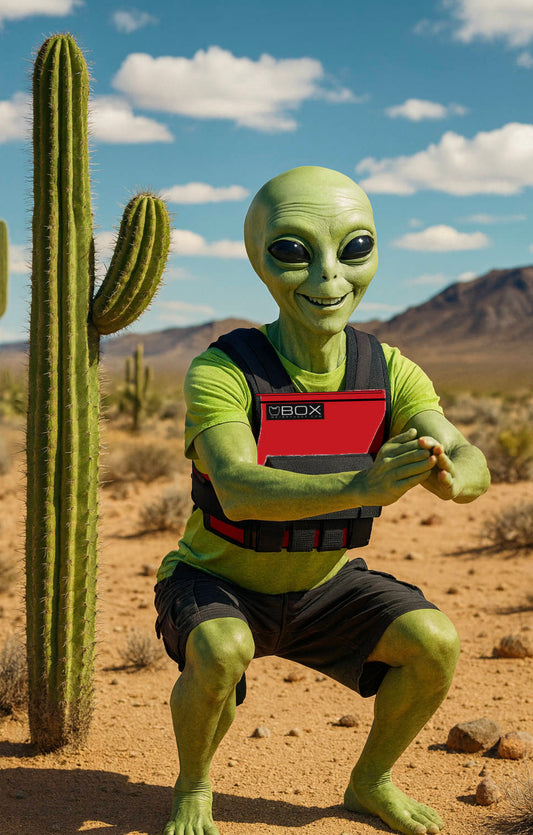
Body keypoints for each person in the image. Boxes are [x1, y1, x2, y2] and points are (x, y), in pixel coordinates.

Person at [154, 166, 490, 835]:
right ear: (259, 260)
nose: (328, 279)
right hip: (218, 578)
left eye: (354, 249)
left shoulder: (386, 369)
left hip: (324, 586)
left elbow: (466, 456)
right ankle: (193, 784)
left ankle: (369, 781)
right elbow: (237, 487)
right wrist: (363, 486)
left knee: (433, 642)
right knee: (219, 651)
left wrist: (448, 473)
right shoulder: (225, 369)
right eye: (293, 252)